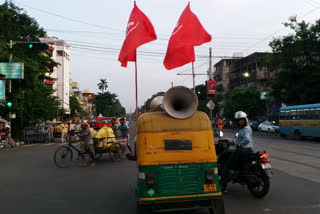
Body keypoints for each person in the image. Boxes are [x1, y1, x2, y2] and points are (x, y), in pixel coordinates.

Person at [221, 111, 253, 193]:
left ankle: (223, 187)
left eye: (241, 120)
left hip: (241, 151)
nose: (240, 121)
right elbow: (239, 138)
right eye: (238, 120)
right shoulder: (245, 128)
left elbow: (247, 139)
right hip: (248, 150)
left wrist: (239, 144)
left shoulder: (245, 129)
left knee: (227, 167)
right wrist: (235, 141)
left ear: (245, 119)